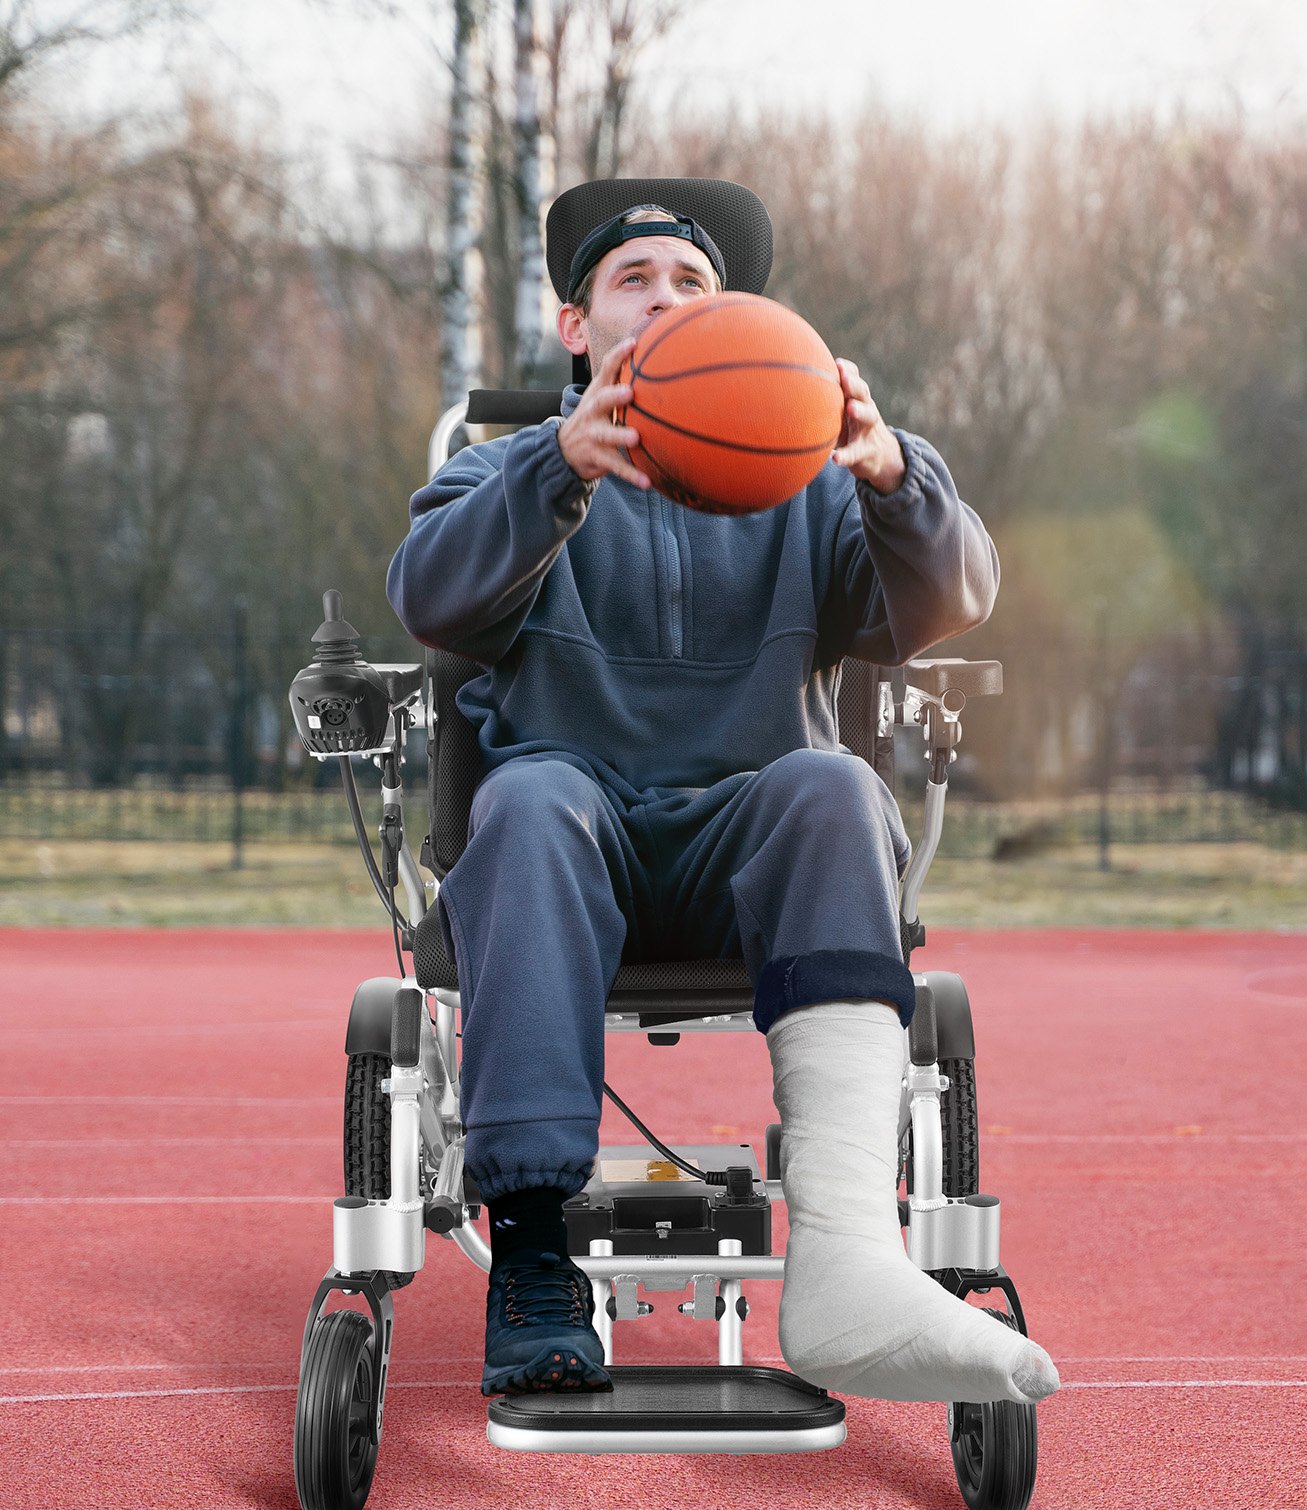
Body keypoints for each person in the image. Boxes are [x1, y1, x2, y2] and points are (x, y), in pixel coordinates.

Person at [387, 198, 1060, 1408]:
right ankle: (533, 1260)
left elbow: (953, 595)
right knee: (529, 798)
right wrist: (555, 468)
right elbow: (429, 597)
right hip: (568, 845)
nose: (665, 296)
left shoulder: (810, 488)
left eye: (692, 280)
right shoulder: (503, 471)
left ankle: (848, 1259)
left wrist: (893, 474)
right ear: (577, 327)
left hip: (748, 851)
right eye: (633, 277)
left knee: (833, 781)